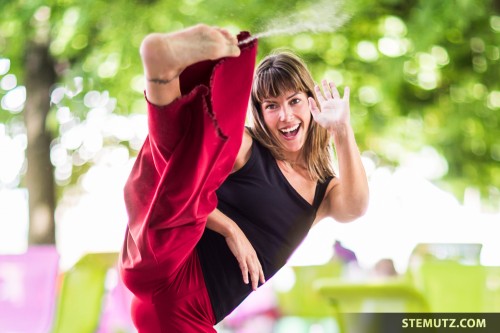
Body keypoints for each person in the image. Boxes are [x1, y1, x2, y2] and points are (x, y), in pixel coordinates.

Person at [119, 24, 369, 333]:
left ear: (311, 102)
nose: (286, 116)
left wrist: (342, 132)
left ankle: (163, 73)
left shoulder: (323, 193)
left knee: (181, 177)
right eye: (271, 106)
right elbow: (190, 183)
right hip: (170, 262)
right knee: (189, 155)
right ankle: (163, 72)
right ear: (260, 113)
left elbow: (356, 207)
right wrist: (230, 229)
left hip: (185, 312)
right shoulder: (248, 147)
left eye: (294, 101)